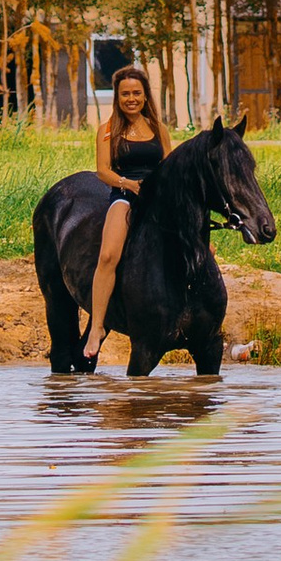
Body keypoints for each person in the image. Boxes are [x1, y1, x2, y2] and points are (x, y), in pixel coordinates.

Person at [83, 64, 167, 359]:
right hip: (124, 196)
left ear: (145, 96)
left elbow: (169, 167)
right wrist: (128, 185)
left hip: (157, 199)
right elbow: (103, 171)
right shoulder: (107, 130)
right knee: (108, 255)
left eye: (136, 93)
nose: (131, 98)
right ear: (117, 97)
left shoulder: (159, 129)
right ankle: (97, 326)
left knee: (200, 245)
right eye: (125, 94)